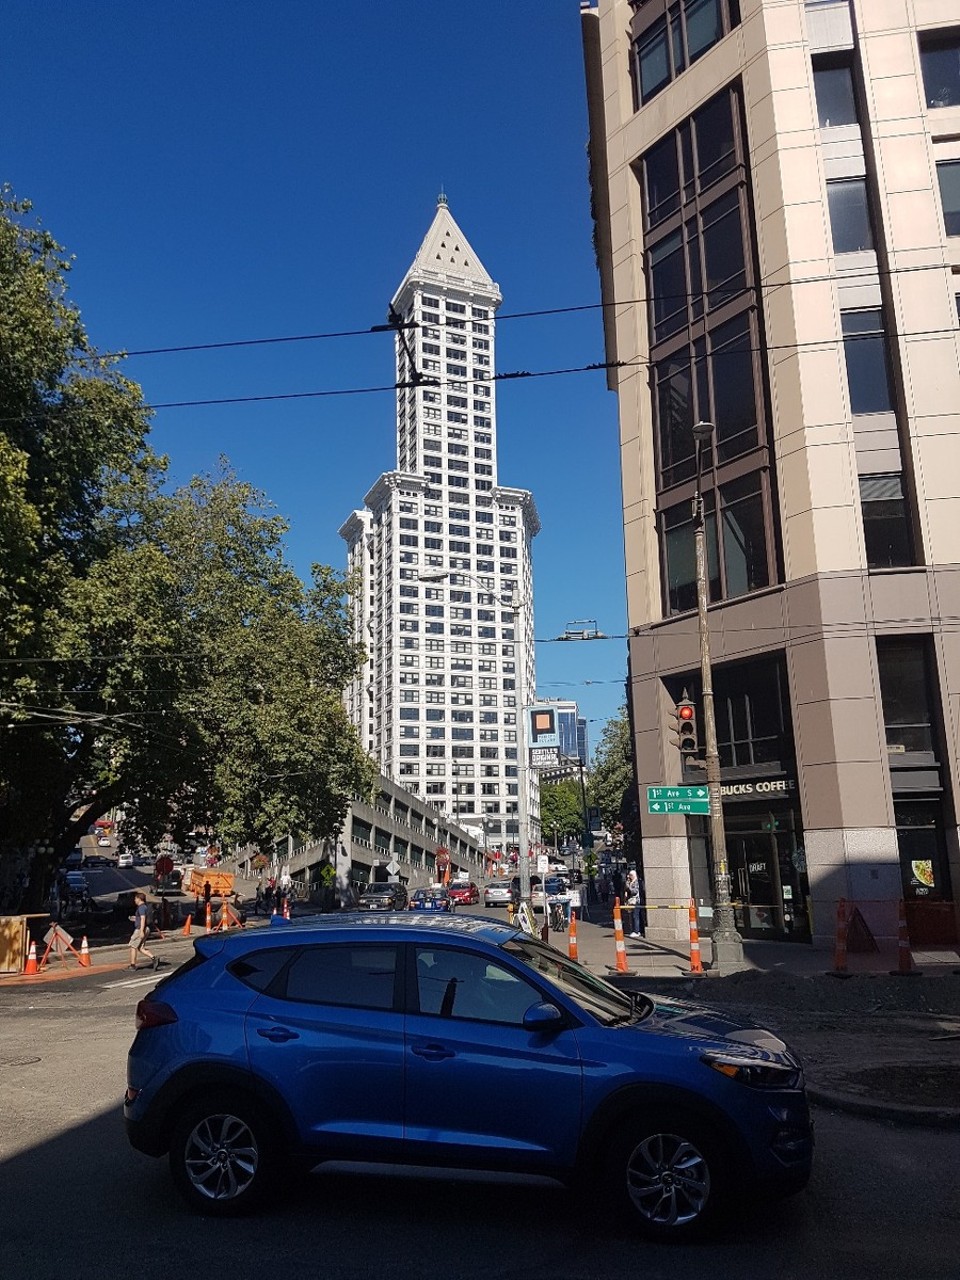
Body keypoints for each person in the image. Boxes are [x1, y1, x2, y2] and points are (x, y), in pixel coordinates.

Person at [128, 892, 159, 970]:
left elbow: (143, 918)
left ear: (139, 899)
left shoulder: (141, 907)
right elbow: (141, 918)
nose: (134, 900)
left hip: (140, 929)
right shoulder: (145, 907)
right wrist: (134, 918)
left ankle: (132, 965)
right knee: (141, 948)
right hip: (146, 928)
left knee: (133, 946)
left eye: (135, 898)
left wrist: (141, 931)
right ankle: (154, 958)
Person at [625, 867, 647, 939]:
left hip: (636, 901)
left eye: (630, 875)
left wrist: (629, 887)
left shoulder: (636, 882)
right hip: (632, 901)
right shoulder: (631, 882)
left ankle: (637, 931)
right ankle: (637, 930)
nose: (629, 877)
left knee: (636, 916)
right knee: (634, 915)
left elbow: (634, 891)